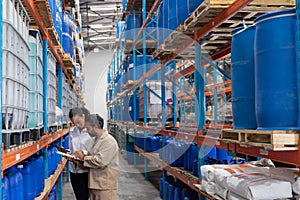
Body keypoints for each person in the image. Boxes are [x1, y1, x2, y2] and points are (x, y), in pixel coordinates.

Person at [73, 114, 119, 200]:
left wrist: (83, 158)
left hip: (105, 187)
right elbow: (90, 159)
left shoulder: (109, 141)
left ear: (95, 126)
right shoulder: (94, 140)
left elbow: (100, 161)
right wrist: (77, 160)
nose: (87, 131)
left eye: (88, 128)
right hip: (94, 184)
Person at [68, 107, 92, 200]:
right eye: (74, 123)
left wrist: (83, 154)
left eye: (78, 121)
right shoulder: (72, 132)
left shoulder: (91, 132)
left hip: (86, 170)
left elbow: (96, 151)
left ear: (83, 116)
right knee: (79, 197)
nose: (77, 125)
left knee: (85, 196)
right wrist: (70, 156)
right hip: (74, 170)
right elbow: (71, 149)